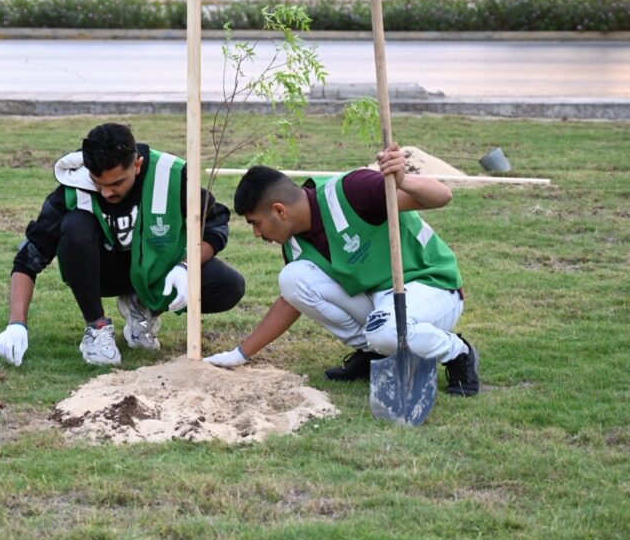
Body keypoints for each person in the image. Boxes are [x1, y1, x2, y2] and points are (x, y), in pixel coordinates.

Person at [204, 144, 479, 397]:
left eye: (256, 223)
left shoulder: (352, 190)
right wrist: (240, 354)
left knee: (385, 332)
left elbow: (442, 196)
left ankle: (458, 352)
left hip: (431, 286)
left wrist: (403, 179)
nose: (256, 233)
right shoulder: (294, 246)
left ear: (280, 210)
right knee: (293, 279)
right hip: (380, 301)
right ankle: (374, 353)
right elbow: (291, 300)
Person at [0, 123, 245, 367]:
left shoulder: (170, 175)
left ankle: (142, 305)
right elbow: (29, 258)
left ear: (137, 165)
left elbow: (215, 224)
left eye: (116, 184)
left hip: (158, 271)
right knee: (74, 225)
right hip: (102, 275)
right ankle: (97, 328)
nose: (106, 193)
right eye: (98, 183)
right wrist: (16, 325)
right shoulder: (72, 187)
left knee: (229, 286)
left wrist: (186, 266)